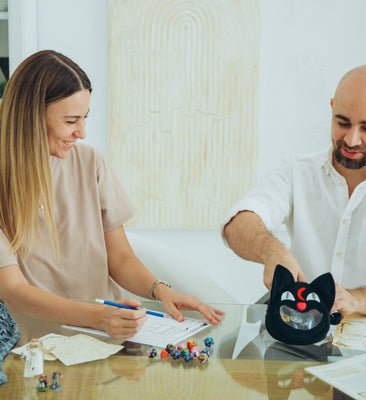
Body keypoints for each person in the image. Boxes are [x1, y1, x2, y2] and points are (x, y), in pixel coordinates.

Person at [0, 50, 223, 340]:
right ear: (30, 117)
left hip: (105, 340)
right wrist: (98, 317)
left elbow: (119, 256)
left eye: (84, 118)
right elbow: (14, 292)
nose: (82, 132)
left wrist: (161, 291)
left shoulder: (90, 162)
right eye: (71, 121)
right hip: (34, 348)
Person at [222, 64, 366, 317]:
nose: (351, 140)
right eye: (342, 122)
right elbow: (236, 225)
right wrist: (272, 250)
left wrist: (355, 301)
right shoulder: (296, 170)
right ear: (332, 108)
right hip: (300, 332)